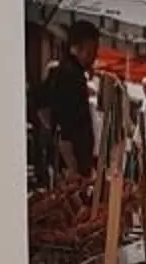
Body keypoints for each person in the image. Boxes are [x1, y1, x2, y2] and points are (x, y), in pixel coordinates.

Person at [33, 19, 99, 178]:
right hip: (71, 161)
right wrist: (71, 163)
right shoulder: (69, 74)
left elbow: (40, 103)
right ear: (80, 47)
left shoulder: (68, 71)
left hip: (70, 156)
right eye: (93, 50)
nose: (95, 56)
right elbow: (66, 124)